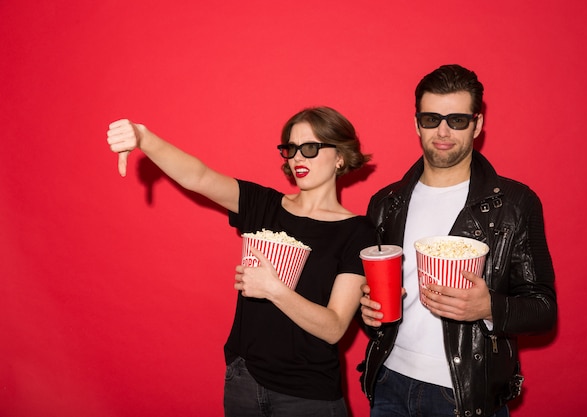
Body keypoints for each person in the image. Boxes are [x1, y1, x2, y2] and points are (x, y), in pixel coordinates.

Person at [106, 106, 377, 417]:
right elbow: (199, 176)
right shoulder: (264, 206)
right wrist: (144, 137)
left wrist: (273, 289)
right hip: (244, 383)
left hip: (307, 396)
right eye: (291, 148)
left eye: (311, 148)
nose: (298, 157)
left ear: (340, 156)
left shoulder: (357, 232)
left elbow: (334, 327)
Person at [358, 64, 557, 417]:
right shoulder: (387, 203)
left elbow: (543, 308)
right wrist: (368, 312)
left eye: (458, 120)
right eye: (431, 119)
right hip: (389, 382)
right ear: (416, 123)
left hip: (463, 394)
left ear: (477, 124)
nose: (443, 131)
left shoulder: (514, 203)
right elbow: (375, 297)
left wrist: (488, 307)